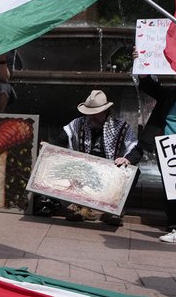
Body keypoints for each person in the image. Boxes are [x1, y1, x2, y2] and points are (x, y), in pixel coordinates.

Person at [60, 89, 140, 227]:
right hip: (83, 169)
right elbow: (61, 139)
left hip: (110, 172)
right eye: (89, 114)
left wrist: (127, 159)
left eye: (95, 114)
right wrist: (48, 147)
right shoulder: (78, 123)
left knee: (134, 171)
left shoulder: (121, 126)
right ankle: (80, 206)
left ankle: (113, 210)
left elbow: (135, 148)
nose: (91, 118)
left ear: (105, 112)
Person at [137, 73, 176, 242]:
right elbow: (150, 87)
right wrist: (143, 72)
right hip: (169, 150)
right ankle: (174, 224)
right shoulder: (170, 94)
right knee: (172, 186)